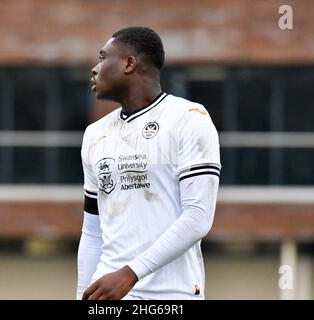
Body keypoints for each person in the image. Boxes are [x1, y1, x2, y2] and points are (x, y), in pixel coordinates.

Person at [77, 26, 221, 300]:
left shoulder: (189, 118)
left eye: (102, 57)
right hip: (110, 295)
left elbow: (198, 217)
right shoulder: (95, 134)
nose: (95, 69)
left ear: (129, 63)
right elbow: (92, 231)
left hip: (172, 295)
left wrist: (130, 274)